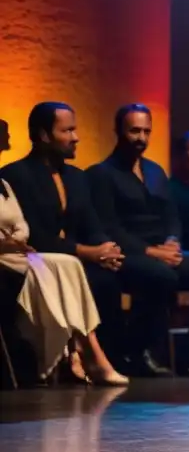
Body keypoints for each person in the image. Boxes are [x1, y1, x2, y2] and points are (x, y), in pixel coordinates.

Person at [87, 104, 189, 377]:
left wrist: (172, 241)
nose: (141, 138)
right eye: (134, 130)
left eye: (146, 131)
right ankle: (137, 351)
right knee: (160, 275)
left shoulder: (155, 171)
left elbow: (172, 216)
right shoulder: (101, 174)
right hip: (128, 255)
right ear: (118, 131)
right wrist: (153, 252)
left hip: (164, 252)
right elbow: (109, 228)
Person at [0, 103, 139, 371]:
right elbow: (36, 236)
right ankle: (74, 358)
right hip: (43, 256)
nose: (76, 137)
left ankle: (105, 358)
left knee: (107, 279)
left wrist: (106, 250)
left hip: (75, 255)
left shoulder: (76, 177)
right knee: (76, 273)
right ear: (44, 135)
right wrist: (88, 252)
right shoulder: (15, 175)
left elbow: (91, 223)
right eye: (68, 130)